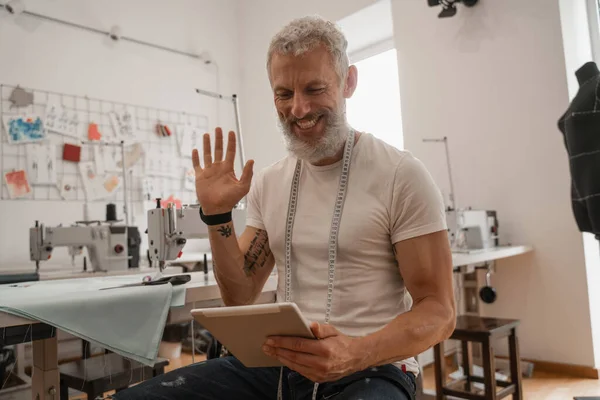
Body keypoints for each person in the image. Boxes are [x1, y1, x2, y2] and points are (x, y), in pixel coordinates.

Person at [111, 15, 456, 400]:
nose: (299, 109)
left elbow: (439, 311)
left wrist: (353, 352)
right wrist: (218, 217)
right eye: (284, 94)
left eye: (314, 88)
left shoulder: (400, 175)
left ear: (349, 82)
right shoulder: (270, 182)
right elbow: (240, 295)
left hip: (374, 366)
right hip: (280, 366)